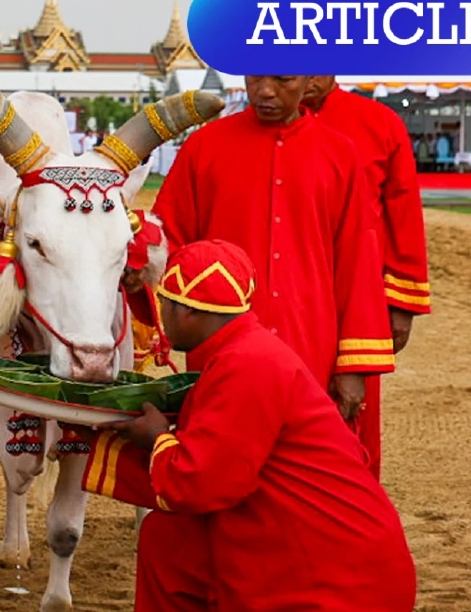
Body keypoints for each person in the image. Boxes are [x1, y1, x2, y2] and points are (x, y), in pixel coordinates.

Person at [75, 240, 471, 612]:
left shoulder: (245, 365)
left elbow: (201, 483)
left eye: (165, 303)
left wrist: (159, 438)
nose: (161, 313)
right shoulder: (241, 352)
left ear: (188, 312)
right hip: (304, 558)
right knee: (171, 537)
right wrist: (87, 430)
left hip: (336, 590)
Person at [151, 75, 393, 428]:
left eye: (282, 79)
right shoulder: (203, 147)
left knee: (302, 464)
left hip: (311, 342)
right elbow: (167, 244)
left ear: (310, 78)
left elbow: (358, 265)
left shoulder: (340, 154)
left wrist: (353, 367)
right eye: (255, 77)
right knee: (221, 454)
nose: (264, 91)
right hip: (219, 346)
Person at [303, 77, 431, 478]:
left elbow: (403, 216)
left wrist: (402, 304)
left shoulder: (380, 123)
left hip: (358, 296)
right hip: (289, 283)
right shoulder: (262, 128)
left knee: (354, 409)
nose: (303, 81)